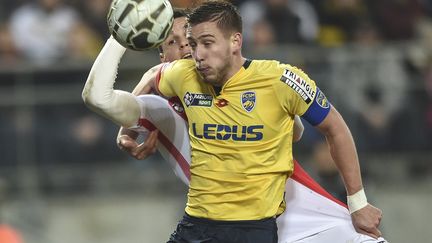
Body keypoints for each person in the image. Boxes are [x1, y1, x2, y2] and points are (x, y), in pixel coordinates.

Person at [82, 2, 383, 242]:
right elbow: (100, 97)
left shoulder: (271, 80)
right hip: (206, 223)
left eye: (195, 40)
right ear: (161, 54)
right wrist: (122, 31)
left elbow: (298, 130)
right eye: (175, 42)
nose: (189, 50)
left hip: (297, 214)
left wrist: (358, 202)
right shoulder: (159, 106)